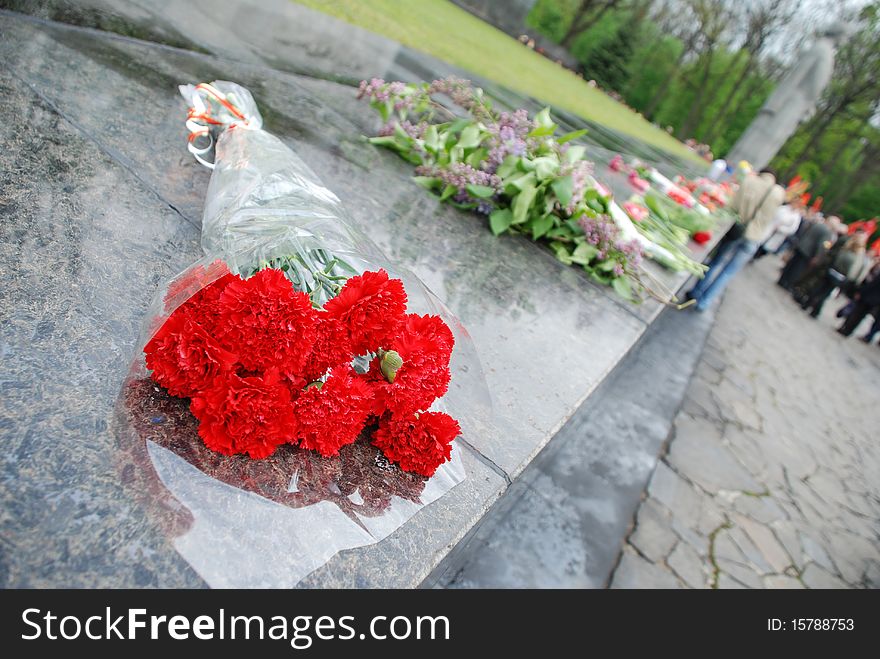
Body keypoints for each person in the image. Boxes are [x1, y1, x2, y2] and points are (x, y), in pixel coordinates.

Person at [687, 169, 785, 310]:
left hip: (737, 230)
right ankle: (704, 302)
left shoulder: (750, 181)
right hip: (754, 237)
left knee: (716, 262)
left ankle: (696, 291)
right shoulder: (779, 193)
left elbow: (733, 206)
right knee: (728, 272)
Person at [801, 232, 869, 318]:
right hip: (840, 276)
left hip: (833, 270)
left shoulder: (846, 248)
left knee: (819, 288)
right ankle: (815, 310)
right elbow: (853, 270)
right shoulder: (857, 255)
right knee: (824, 294)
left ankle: (807, 304)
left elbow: (837, 258)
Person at [777, 214, 837, 290]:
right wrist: (817, 256)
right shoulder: (827, 232)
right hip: (809, 251)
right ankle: (788, 283)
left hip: (801, 245)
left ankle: (782, 279)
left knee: (791, 264)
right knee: (798, 269)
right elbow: (822, 245)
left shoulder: (818, 224)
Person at [837, 265, 880, 337]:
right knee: (860, 317)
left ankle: (845, 329)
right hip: (874, 301)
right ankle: (848, 331)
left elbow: (871, 285)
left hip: (867, 297)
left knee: (855, 314)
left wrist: (861, 292)